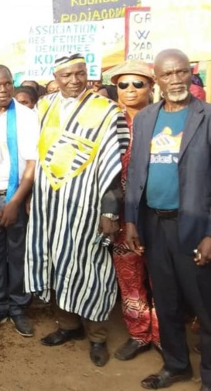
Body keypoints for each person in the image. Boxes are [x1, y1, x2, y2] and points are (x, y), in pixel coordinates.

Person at [24, 53, 129, 367]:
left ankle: (97, 336)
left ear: (88, 74)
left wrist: (110, 212)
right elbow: (33, 156)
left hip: (87, 205)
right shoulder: (43, 107)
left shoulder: (107, 111)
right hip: (48, 204)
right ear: (55, 78)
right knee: (56, 263)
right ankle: (68, 326)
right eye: (66, 75)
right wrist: (29, 194)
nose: (73, 81)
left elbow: (116, 168)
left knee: (92, 268)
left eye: (79, 73)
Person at [125, 49, 211, 391]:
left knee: (204, 306)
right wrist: (131, 220)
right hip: (154, 226)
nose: (175, 79)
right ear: (156, 80)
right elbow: (135, 171)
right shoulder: (145, 119)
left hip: (193, 227)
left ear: (190, 74)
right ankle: (176, 365)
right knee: (167, 300)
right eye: (167, 74)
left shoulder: (206, 116)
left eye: (180, 72)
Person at [0, 65, 39, 338]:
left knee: (18, 254)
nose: (2, 90)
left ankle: (17, 307)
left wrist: (15, 202)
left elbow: (32, 163)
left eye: (7, 84)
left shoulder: (27, 116)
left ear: (12, 84)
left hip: (18, 194)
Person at [107, 60, 161, 361]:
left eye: (137, 83)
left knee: (163, 281)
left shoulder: (164, 120)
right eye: (123, 84)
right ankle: (139, 334)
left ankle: (164, 335)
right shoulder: (109, 122)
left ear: (151, 86)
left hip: (159, 215)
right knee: (129, 279)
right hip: (123, 215)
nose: (129, 90)